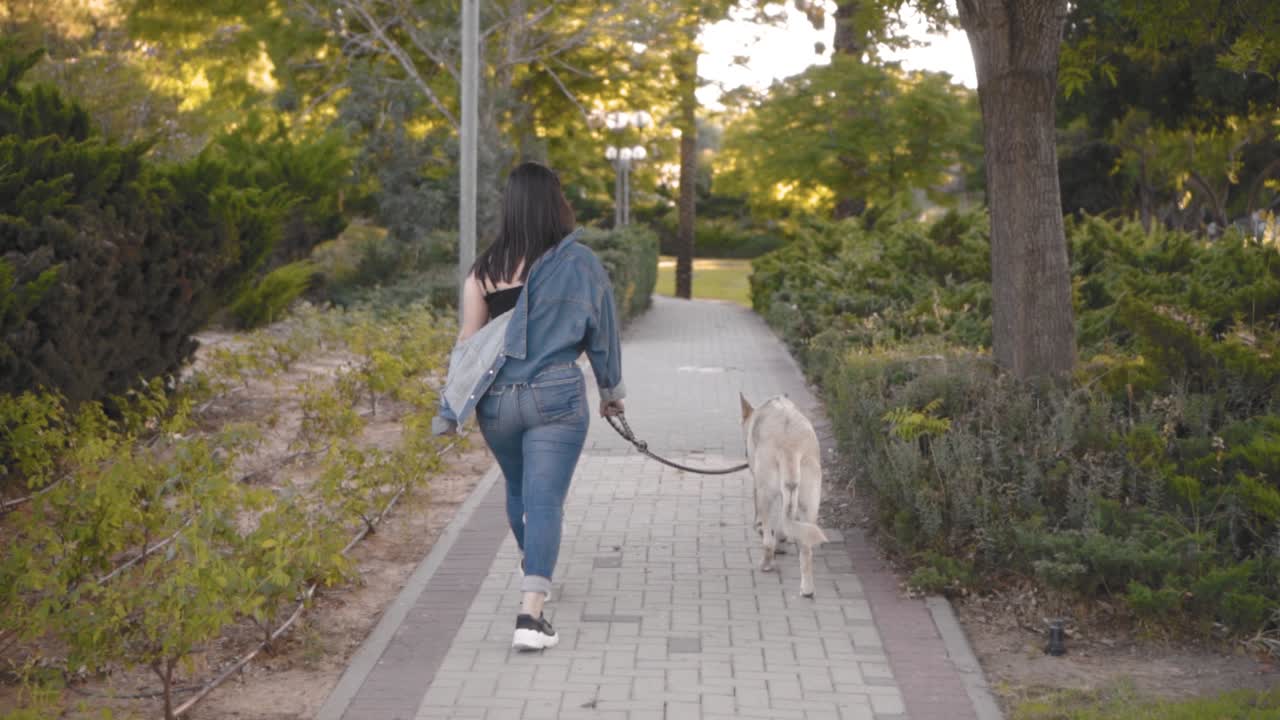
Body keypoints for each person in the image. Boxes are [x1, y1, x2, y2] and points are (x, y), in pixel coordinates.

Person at [433, 162, 625, 651]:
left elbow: (468, 342)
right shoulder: (579, 263)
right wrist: (610, 393)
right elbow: (601, 331)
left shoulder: (485, 269)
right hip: (556, 394)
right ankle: (530, 614)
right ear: (554, 203)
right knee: (545, 501)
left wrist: (449, 404)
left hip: (496, 403)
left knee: (519, 491)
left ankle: (531, 563)